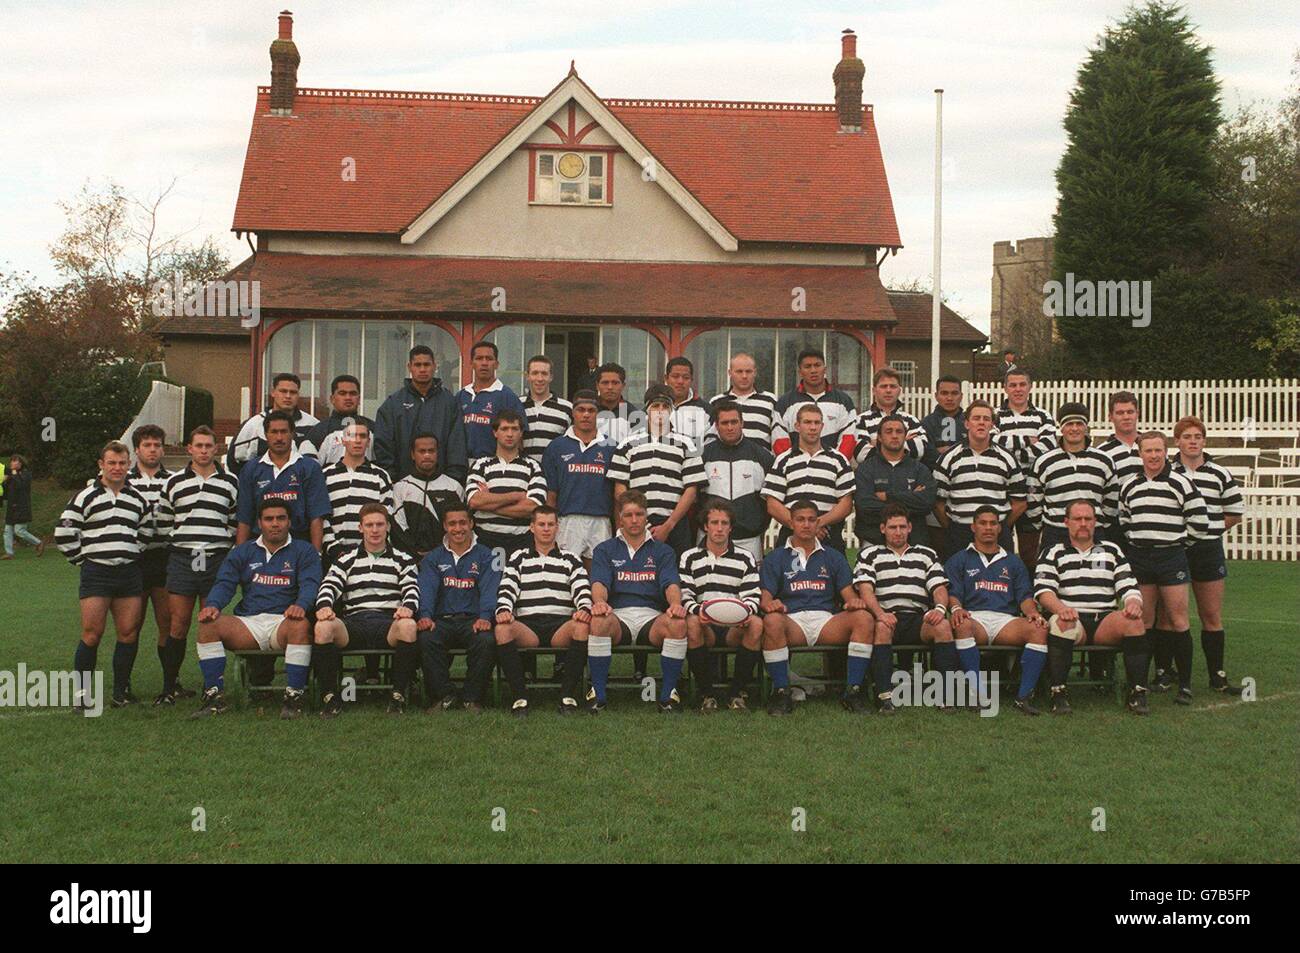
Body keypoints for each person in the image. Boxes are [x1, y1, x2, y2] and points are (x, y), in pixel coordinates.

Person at [190, 498, 322, 719]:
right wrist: (213, 605)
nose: (275, 523)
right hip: (248, 624)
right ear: (259, 523)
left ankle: (294, 698)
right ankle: (214, 697)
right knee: (208, 625)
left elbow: (311, 583)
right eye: (269, 519)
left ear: (289, 522)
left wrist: (301, 605)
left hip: (283, 621)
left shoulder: (304, 550)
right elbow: (225, 583)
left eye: (281, 518)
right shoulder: (243, 551)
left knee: (300, 625)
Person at [55, 441, 155, 709]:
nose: (117, 468)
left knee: (128, 633)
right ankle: (83, 696)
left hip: (128, 573)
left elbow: (146, 531)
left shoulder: (138, 498)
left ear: (129, 465)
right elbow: (64, 532)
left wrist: (129, 551)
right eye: (111, 463)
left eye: (122, 463)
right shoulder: (85, 496)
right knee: (92, 633)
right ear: (101, 465)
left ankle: (120, 693)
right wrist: (82, 560)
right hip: (96, 573)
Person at [1120, 431, 1211, 704]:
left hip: (1171, 557)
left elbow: (1199, 522)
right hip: (1141, 557)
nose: (1153, 455)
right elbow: (1124, 520)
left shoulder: (1180, 482)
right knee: (1144, 620)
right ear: (1140, 454)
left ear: (1166, 451)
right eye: (1148, 451)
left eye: (1158, 450)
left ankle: (1184, 685)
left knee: (1178, 620)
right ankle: (1140, 682)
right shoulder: (1130, 485)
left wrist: (1178, 544)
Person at [759, 498, 872, 716]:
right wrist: (771, 604)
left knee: (863, 618)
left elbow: (849, 596)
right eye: (800, 519)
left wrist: (854, 602)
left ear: (818, 522)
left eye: (811, 520)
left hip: (825, 621)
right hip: (793, 621)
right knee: (771, 620)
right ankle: (781, 692)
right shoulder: (776, 557)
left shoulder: (833, 556)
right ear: (791, 523)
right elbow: (765, 598)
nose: (806, 524)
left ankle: (854, 691)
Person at [1035, 499, 1148, 714]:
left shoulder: (1112, 550)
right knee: (1062, 623)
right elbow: (1043, 591)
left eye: (1088, 519)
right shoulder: (1052, 552)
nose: (1083, 523)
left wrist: (1133, 603)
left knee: (1134, 622)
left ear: (1095, 522)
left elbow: (1128, 586)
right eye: (1077, 519)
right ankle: (1058, 692)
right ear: (1066, 522)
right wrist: (1060, 608)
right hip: (1072, 617)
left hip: (1104, 621)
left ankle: (1137, 692)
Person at [154, 425, 239, 705]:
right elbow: (163, 522)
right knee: (177, 623)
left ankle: (211, 687)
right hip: (183, 558)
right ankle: (169, 687)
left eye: (208, 446)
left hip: (215, 558)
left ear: (216, 448)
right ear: (189, 448)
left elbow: (234, 521)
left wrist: (220, 544)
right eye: (198, 446)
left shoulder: (230, 482)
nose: (203, 451)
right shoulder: (174, 482)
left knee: (210, 621)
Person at [313, 503, 421, 716]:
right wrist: (324, 606)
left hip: (388, 622)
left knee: (408, 626)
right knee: (323, 627)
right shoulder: (346, 559)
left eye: (379, 524)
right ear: (360, 528)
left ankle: (398, 696)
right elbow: (329, 585)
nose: (375, 530)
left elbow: (412, 588)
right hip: (355, 623)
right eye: (369, 525)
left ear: (388, 526)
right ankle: (330, 698)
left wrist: (408, 607)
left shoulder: (403, 559)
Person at [588, 491, 688, 713]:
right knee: (598, 621)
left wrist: (675, 604)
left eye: (639, 514)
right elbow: (599, 583)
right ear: (620, 518)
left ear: (646, 516)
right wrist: (600, 602)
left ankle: (668, 695)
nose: (634, 520)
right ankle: (598, 694)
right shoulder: (605, 549)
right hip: (618, 616)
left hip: (651, 618)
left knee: (678, 623)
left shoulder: (663, 550)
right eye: (628, 515)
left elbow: (671, 583)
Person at [944, 506, 1049, 715]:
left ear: (1000, 528)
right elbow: (952, 593)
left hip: (1006, 621)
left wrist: (1032, 612)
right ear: (973, 527)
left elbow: (1025, 597)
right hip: (974, 618)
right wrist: (956, 608)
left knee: (1038, 629)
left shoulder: (1013, 561)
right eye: (983, 523)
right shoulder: (959, 559)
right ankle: (977, 693)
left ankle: (1024, 697)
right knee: (962, 624)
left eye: (993, 523)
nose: (988, 528)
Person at [854, 503, 956, 712]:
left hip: (918, 618)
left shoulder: (926, 554)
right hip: (886, 616)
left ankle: (945, 696)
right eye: (893, 527)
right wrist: (880, 614)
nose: (898, 532)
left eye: (902, 527)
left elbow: (939, 586)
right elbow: (865, 589)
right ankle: (885, 696)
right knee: (882, 627)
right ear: (883, 528)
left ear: (910, 528)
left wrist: (939, 609)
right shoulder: (870, 554)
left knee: (943, 626)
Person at [494, 505, 594, 716]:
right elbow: (507, 588)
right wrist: (504, 609)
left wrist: (584, 607)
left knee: (582, 626)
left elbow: (582, 588)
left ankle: (567, 696)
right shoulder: (518, 558)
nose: (546, 529)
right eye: (541, 524)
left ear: (558, 527)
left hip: (560, 626)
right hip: (528, 627)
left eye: (550, 524)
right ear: (532, 527)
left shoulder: (571, 559)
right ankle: (520, 698)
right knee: (502, 629)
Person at [1170, 416, 1244, 694]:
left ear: (1204, 441)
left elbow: (1233, 513)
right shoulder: (1168, 472)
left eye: (1197, 437)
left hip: (1208, 549)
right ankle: (1167, 673)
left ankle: (1217, 676)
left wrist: (1207, 529)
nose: (1192, 442)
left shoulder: (1219, 473)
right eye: (1187, 437)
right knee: (1171, 616)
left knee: (1211, 614)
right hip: (1176, 549)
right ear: (1177, 441)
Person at [678, 499, 763, 711]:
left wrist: (745, 614)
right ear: (705, 526)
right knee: (691, 623)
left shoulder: (745, 557)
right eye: (714, 522)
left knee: (756, 624)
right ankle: (706, 694)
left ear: (731, 527)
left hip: (734, 625)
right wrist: (699, 612)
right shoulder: (689, 557)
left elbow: (753, 595)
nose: (719, 528)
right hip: (705, 624)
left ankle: (737, 693)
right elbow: (685, 595)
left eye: (724, 523)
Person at [416, 503, 500, 712]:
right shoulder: (433, 558)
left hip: (473, 620)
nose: (458, 528)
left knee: (486, 640)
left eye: (463, 523)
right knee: (426, 638)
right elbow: (427, 589)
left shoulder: (487, 556)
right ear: (445, 526)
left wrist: (485, 617)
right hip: (442, 620)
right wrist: (426, 615)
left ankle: (472, 698)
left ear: (471, 523)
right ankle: (444, 696)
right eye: (452, 524)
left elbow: (490, 590)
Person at [608, 384, 707, 556]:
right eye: (655, 406)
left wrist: (669, 525)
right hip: (637, 522)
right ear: (647, 410)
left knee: (676, 570)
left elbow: (691, 491)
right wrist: (639, 521)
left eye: (665, 406)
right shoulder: (627, 444)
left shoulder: (687, 444)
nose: (660, 411)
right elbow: (620, 489)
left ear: (672, 410)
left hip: (675, 524)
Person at [933, 399, 1026, 558]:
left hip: (997, 535)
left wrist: (999, 527)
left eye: (986, 419)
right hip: (960, 535)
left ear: (992, 425)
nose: (981, 423)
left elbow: (1020, 503)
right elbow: (937, 503)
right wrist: (954, 528)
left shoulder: (1007, 458)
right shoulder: (948, 458)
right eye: (976, 418)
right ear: (967, 423)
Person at [1028, 402, 1119, 555]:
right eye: (1069, 424)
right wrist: (1045, 526)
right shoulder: (1044, 462)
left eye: (1079, 424)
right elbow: (1033, 500)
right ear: (1061, 428)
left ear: (1086, 427)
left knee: (1097, 571)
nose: (1074, 428)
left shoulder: (1104, 461)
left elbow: (1111, 501)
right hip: (1056, 534)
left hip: (1093, 534)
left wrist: (1097, 523)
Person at [235, 410, 331, 552]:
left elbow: (316, 517)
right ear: (265, 435)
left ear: (292, 434)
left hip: (299, 544)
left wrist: (316, 555)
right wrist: (240, 556)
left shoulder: (309, 467)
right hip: (260, 547)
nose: (279, 437)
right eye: (274, 432)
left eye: (284, 432)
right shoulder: (251, 469)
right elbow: (244, 518)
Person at [763, 403, 854, 552]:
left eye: (817, 423)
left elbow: (846, 503)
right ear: (797, 426)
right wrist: (801, 526)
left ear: (822, 426)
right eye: (807, 422)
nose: (813, 427)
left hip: (828, 536)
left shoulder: (838, 459)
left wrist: (817, 524)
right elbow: (772, 503)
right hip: (791, 536)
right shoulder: (783, 460)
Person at [373, 345, 468, 485]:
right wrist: (392, 478)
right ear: (409, 367)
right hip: (402, 485)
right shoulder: (393, 404)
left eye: (427, 365)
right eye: (418, 365)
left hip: (444, 485)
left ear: (434, 366)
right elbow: (383, 444)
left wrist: (453, 479)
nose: (422, 369)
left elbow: (458, 444)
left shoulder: (449, 403)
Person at [126, 425, 174, 696]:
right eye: (147, 445)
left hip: (164, 557)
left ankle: (171, 684)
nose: (152, 450)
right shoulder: (125, 480)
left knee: (167, 622)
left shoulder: (174, 480)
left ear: (163, 449)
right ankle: (125, 685)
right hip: (135, 559)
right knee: (131, 624)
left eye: (157, 445)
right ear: (137, 449)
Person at [993, 368, 1055, 571]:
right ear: (1005, 388)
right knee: (1001, 545)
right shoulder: (995, 415)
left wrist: (1009, 450)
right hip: (1001, 489)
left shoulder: (1042, 415)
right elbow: (992, 442)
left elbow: (1048, 447)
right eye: (1013, 385)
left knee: (1030, 550)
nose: (1018, 389)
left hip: (1032, 489)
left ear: (1030, 387)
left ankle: (1031, 586)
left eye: (1022, 384)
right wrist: (1027, 440)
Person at [542, 390, 614, 563]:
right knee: (565, 570)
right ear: (573, 413)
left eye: (591, 410)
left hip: (601, 520)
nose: (586, 415)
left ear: (598, 414)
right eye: (581, 410)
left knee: (598, 573)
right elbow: (551, 493)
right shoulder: (556, 447)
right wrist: (549, 524)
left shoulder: (611, 447)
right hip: (567, 520)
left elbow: (616, 494)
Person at [466, 410, 547, 559]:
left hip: (522, 541)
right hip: (484, 541)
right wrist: (515, 496)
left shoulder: (533, 466)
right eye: (504, 429)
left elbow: (532, 508)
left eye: (514, 429)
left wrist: (489, 504)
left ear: (521, 433)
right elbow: (474, 501)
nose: (510, 434)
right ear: (495, 432)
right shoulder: (480, 465)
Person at [700, 401, 774, 561]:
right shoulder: (702, 456)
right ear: (716, 426)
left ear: (742, 423)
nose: (730, 427)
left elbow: (771, 499)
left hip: (749, 539)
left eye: (734, 422)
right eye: (724, 423)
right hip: (710, 538)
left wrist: (758, 526)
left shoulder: (762, 456)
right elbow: (695, 499)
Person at [853, 415, 936, 547]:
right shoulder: (865, 469)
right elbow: (865, 506)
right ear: (879, 437)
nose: (894, 435)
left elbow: (926, 503)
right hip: (874, 541)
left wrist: (887, 496)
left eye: (899, 431)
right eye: (888, 431)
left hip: (914, 543)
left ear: (905, 436)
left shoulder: (920, 469)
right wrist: (910, 498)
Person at [321, 420, 395, 563]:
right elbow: (321, 516)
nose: (357, 440)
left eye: (362, 436)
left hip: (370, 555)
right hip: (333, 555)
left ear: (368, 442)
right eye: (352, 436)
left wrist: (372, 547)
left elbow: (387, 515)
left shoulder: (380, 476)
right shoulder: (326, 475)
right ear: (343, 440)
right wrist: (333, 547)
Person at [226, 372, 319, 475]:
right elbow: (234, 461)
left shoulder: (313, 424)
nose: (288, 396)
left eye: (293, 392)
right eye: (283, 391)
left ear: (298, 395)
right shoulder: (253, 425)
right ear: (273, 392)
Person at [391, 433, 465, 560]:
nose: (427, 455)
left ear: (437, 453)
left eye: (431, 451)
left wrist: (440, 554)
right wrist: (415, 554)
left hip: (447, 559)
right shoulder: (400, 487)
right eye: (422, 451)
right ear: (413, 455)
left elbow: (461, 527)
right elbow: (398, 527)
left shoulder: (454, 487)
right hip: (410, 560)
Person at [773, 348, 856, 458]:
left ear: (825, 369)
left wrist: (835, 464)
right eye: (807, 366)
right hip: (795, 467)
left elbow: (849, 439)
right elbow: (779, 440)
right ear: (800, 372)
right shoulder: (785, 402)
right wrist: (794, 464)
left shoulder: (843, 401)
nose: (813, 370)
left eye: (817, 365)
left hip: (833, 467)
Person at [459, 341, 527, 465]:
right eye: (479, 358)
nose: (484, 363)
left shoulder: (507, 397)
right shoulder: (462, 396)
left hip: (493, 466)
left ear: (496, 364)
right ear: (471, 363)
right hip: (462, 465)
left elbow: (519, 438)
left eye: (489, 359)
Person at [1096, 391, 1144, 548]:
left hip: (1148, 520)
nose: (1126, 417)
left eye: (1130, 412)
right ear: (1110, 417)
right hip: (1114, 525)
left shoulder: (1151, 446)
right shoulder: (1102, 452)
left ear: (1137, 414)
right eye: (1120, 413)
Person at [851, 367, 927, 464]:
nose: (888, 390)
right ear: (874, 390)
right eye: (883, 386)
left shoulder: (911, 420)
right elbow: (861, 454)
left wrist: (876, 442)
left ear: (899, 390)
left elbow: (919, 450)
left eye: (893, 386)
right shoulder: (861, 420)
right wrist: (902, 441)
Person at [708, 352, 780, 448]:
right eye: (739, 371)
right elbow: (710, 439)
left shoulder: (770, 401)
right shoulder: (716, 402)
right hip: (724, 457)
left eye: (748, 371)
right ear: (730, 373)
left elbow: (778, 437)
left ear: (755, 373)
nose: (744, 376)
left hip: (761, 457)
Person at [306, 375, 374, 467]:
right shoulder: (319, 431)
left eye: (353, 393)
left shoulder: (373, 428)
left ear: (359, 399)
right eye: (342, 393)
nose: (348, 397)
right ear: (332, 399)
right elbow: (309, 468)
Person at [522, 355, 573, 462]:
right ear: (527, 376)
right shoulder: (516, 405)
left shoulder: (568, 409)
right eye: (535, 373)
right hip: (521, 470)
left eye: (544, 374)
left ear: (551, 377)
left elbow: (573, 447)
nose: (540, 378)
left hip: (554, 470)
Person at [663, 356, 711, 451]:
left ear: (691, 380)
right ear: (666, 378)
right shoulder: (653, 409)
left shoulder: (706, 411)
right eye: (675, 376)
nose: (680, 381)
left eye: (686, 377)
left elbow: (710, 445)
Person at [3, 454, 44, 559]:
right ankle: (9, 553)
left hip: (22, 507)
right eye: (11, 461)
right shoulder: (11, 475)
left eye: (15, 461)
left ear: (20, 463)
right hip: (11, 507)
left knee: (19, 530)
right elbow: (6, 491)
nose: (12, 463)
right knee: (7, 531)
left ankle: (38, 543)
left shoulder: (26, 474)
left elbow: (21, 486)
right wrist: (5, 480)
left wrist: (13, 473)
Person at [594, 362, 640, 447]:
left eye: (615, 383)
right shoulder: (587, 411)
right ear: (597, 385)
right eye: (605, 383)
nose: (610, 387)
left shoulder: (633, 414)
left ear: (623, 385)